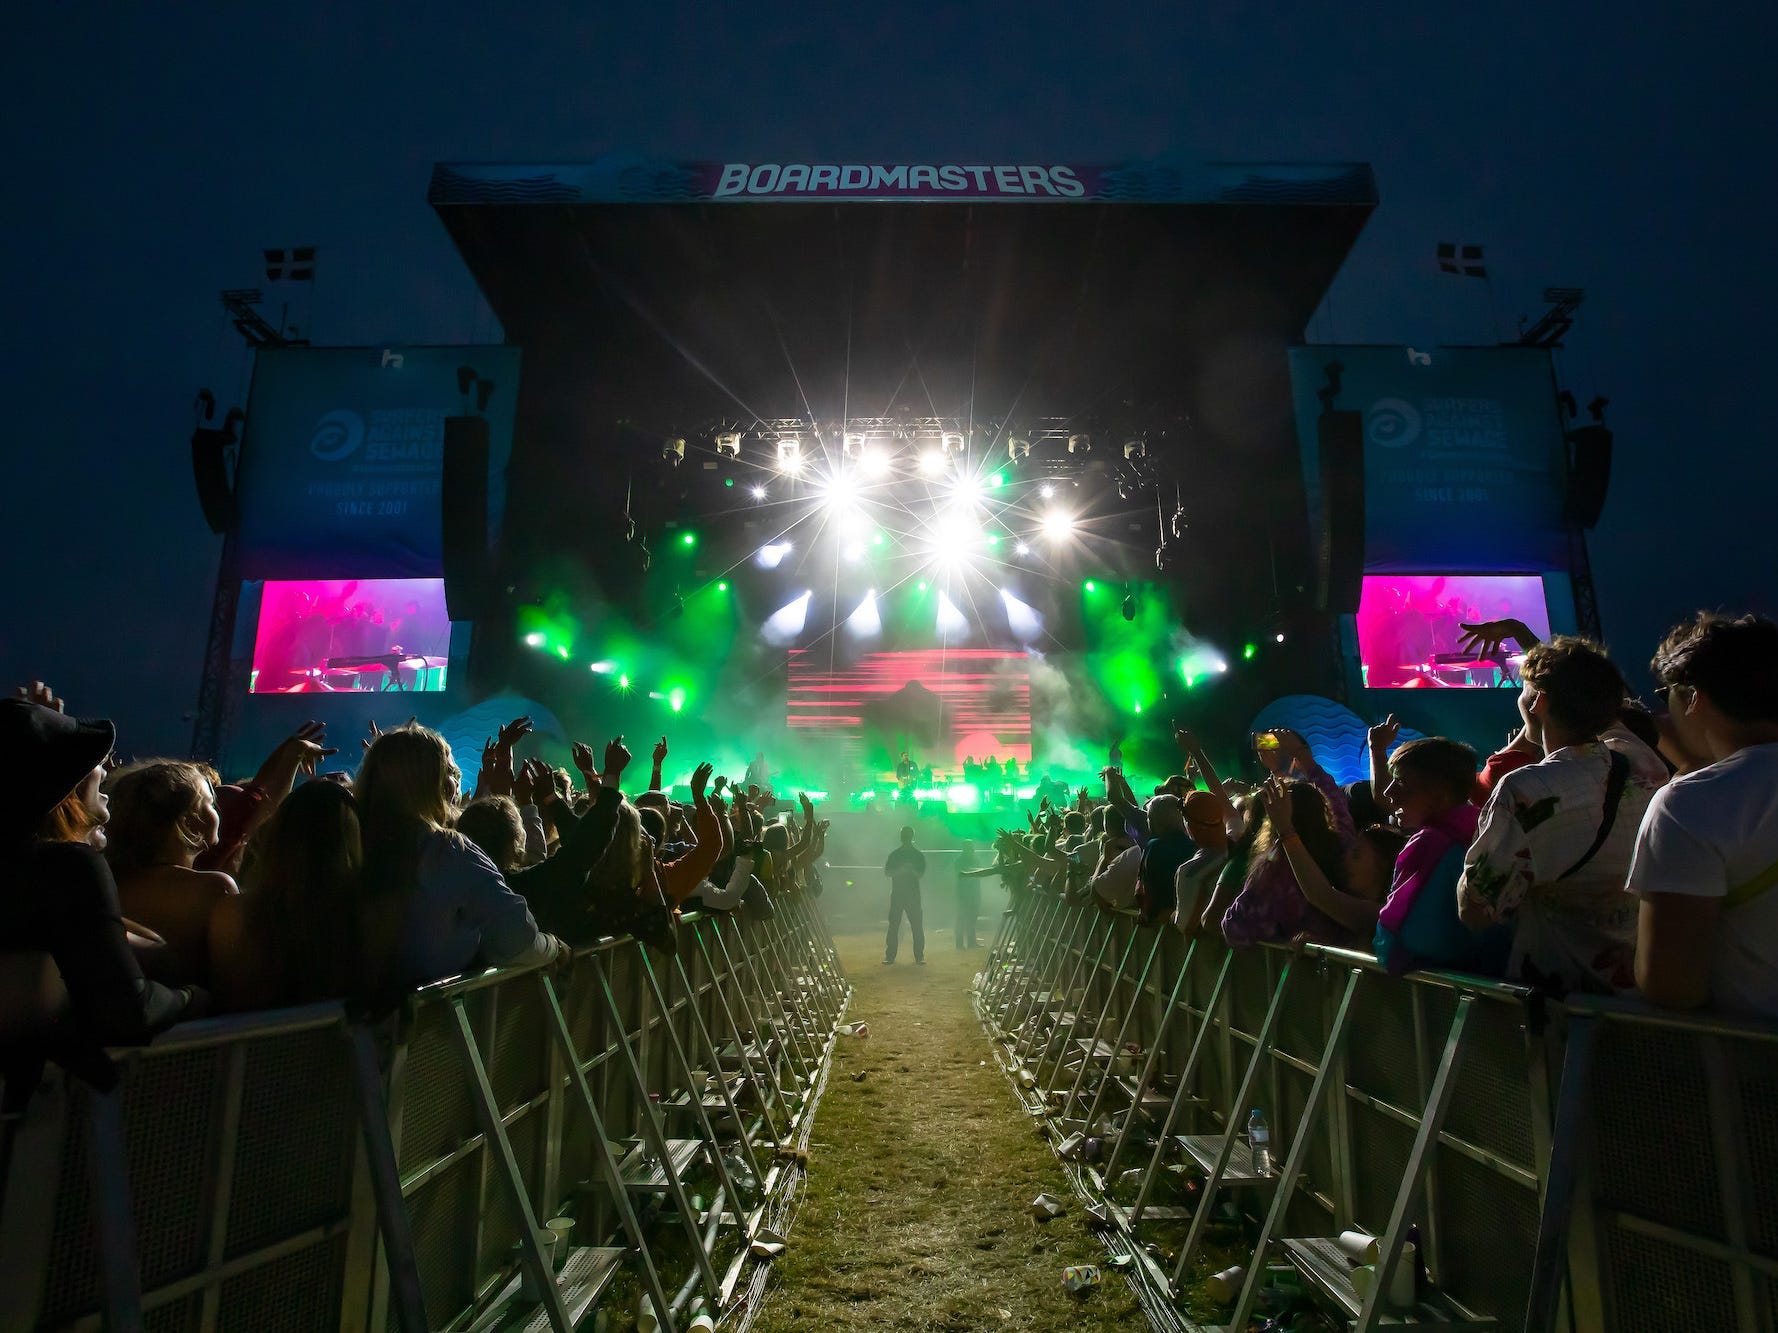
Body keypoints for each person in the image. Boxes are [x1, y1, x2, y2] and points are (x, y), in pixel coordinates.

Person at [1, 694, 202, 1086]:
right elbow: (128, 1010)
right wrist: (191, 998)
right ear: (63, 790)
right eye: (89, 764)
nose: (103, 771)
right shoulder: (67, 868)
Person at [1457, 637, 1661, 993]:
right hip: (1638, 987)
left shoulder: (1525, 790)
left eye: (1524, 692)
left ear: (1538, 700)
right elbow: (1588, 685)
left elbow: (1475, 910)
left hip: (1560, 991)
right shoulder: (1643, 763)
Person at [1629, 614, 1778, 1016]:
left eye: (1666, 695)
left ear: (1693, 697)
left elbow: (1670, 986)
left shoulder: (1690, 804)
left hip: (1753, 1063)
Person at [355, 724, 560, 996]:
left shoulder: (344, 840)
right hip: (430, 1030)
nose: (457, 780)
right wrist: (556, 948)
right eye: (450, 772)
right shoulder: (447, 850)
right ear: (428, 782)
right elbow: (519, 940)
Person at [208, 780, 368, 1011]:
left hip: (252, 1043)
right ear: (353, 840)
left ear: (278, 833)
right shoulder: (367, 915)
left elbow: (224, 997)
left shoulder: (235, 912)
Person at [1369, 737, 1511, 975]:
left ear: (1441, 793)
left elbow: (1416, 937)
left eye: (1401, 783)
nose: (1389, 792)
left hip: (1441, 994)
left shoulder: (1431, 843)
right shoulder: (1483, 831)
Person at [103, 760, 241, 985]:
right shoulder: (214, 888)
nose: (217, 812)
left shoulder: (111, 879)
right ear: (189, 821)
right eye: (210, 803)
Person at [1172, 789, 1231, 936]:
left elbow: (1184, 926)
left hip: (1214, 956)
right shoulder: (1246, 851)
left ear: (1190, 825)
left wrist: (1171, 915)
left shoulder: (1190, 872)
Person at [883, 826, 927, 964]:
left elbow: (919, 874)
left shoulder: (914, 855)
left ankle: (918, 957)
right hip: (900, 894)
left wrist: (909, 871)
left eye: (906, 835)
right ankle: (891, 957)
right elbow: (888, 873)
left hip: (910, 895)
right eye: (904, 834)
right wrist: (903, 870)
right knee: (895, 926)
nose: (905, 837)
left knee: (915, 926)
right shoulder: (897, 855)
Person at [953, 838, 982, 949]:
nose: (972, 849)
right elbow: (960, 876)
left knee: (972, 919)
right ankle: (959, 944)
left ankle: (971, 942)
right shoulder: (960, 861)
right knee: (962, 918)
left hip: (974, 892)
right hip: (964, 893)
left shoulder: (974, 859)